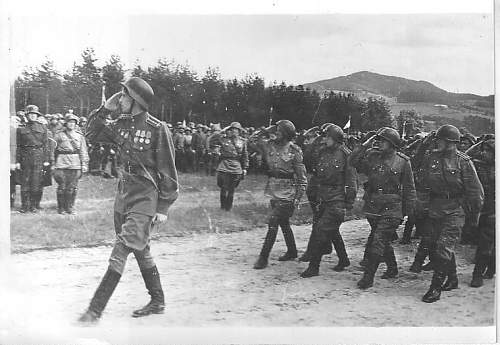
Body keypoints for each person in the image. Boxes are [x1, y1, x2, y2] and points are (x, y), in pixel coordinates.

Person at [78, 77, 179, 323]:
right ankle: (157, 300)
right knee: (141, 248)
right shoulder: (121, 123)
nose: (120, 99)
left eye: (123, 96)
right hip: (124, 195)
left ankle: (94, 311)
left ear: (134, 100)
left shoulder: (157, 128)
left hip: (146, 197)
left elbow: (168, 170)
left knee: (122, 248)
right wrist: (105, 109)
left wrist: (163, 206)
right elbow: (90, 133)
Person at [412, 125, 483, 302]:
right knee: (437, 245)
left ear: (451, 142)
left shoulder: (463, 162)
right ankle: (452, 279)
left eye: (440, 140)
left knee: (443, 247)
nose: (437, 142)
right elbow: (422, 182)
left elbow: (476, 192)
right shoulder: (431, 158)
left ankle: (435, 288)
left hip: (455, 210)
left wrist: (473, 217)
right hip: (435, 208)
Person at [349, 127, 416, 289]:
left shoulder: (403, 161)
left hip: (393, 206)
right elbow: (352, 161)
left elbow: (409, 188)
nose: (379, 143)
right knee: (382, 240)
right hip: (373, 204)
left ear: (392, 144)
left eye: (383, 140)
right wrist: (365, 145)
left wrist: (408, 212)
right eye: (378, 140)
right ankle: (392, 268)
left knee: (378, 239)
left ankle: (368, 277)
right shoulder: (372, 156)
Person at [301, 124, 357, 277]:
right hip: (322, 197)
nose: (325, 140)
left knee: (320, 231)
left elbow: (351, 181)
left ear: (336, 138)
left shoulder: (346, 154)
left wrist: (349, 202)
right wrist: (317, 139)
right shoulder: (322, 152)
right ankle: (344, 259)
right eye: (324, 137)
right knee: (331, 231)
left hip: (337, 199)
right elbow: (306, 159)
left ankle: (314, 267)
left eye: (328, 137)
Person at [251, 120, 307, 269]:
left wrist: (297, 199)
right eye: (276, 131)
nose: (276, 134)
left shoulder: (294, 151)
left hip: (288, 193)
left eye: (280, 131)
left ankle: (263, 257)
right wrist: (266, 130)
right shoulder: (269, 145)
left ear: (287, 135)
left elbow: (302, 179)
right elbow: (252, 140)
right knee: (283, 222)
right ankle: (292, 251)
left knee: (273, 221)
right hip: (273, 190)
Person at [467, 137, 495, 287]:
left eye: (488, 151)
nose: (483, 153)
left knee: (488, 245)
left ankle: (483, 272)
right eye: (483, 150)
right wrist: (481, 142)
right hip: (482, 210)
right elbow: (466, 155)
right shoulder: (478, 165)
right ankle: (483, 272)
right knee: (486, 245)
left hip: (493, 212)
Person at [16, 105, 51, 213]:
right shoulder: (21, 129)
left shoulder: (43, 128)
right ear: (27, 115)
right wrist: (17, 161)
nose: (33, 116)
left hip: (39, 157)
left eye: (35, 114)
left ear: (37, 116)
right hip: (25, 157)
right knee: (25, 182)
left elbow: (46, 145)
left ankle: (34, 205)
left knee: (36, 182)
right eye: (31, 114)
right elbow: (18, 146)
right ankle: (24, 206)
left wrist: (46, 159)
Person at [52, 113, 89, 214]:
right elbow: (52, 149)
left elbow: (83, 150)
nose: (71, 124)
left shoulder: (80, 136)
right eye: (69, 122)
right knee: (62, 186)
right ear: (65, 123)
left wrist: (84, 164)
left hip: (75, 163)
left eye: (73, 122)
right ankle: (61, 208)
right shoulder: (59, 135)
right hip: (61, 163)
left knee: (72, 187)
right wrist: (52, 163)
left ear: (76, 124)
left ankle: (70, 207)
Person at [209, 122, 249, 211]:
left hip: (236, 165)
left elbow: (245, 155)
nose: (234, 131)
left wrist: (245, 168)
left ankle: (228, 207)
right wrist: (222, 131)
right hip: (225, 164)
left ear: (239, 131)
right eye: (232, 129)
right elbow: (213, 140)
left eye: (236, 130)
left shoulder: (242, 141)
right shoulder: (223, 139)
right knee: (223, 186)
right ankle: (223, 206)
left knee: (232, 188)